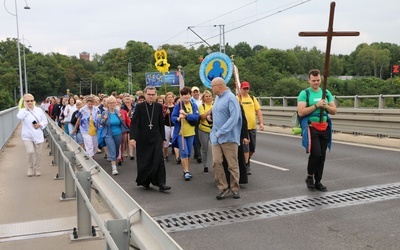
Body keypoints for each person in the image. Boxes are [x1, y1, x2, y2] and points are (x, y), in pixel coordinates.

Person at [297, 69, 337, 192]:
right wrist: (316, 106)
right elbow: (301, 112)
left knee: (322, 156)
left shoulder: (326, 93)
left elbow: (334, 111)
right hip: (311, 127)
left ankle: (318, 181)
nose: (316, 83)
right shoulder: (304, 94)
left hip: (324, 126)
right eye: (313, 80)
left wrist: (326, 106)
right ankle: (310, 177)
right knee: (316, 153)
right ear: (309, 80)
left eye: (318, 80)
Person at [129, 86, 171, 192]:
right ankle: (145, 180)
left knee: (159, 159)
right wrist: (133, 138)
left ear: (156, 95)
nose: (151, 96)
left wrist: (163, 138)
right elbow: (134, 123)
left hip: (156, 137)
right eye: (149, 94)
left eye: (153, 94)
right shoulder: (139, 107)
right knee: (145, 160)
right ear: (145, 94)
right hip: (143, 138)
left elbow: (160, 122)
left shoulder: (158, 106)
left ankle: (161, 183)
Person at [210, 77, 242, 200]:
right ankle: (223, 187)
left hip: (228, 137)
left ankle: (235, 188)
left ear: (219, 86)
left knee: (232, 165)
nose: (211, 89)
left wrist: (221, 131)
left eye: (213, 86)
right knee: (216, 162)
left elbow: (234, 118)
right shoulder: (217, 98)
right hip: (216, 138)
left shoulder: (231, 98)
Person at [172, 87, 200, 181]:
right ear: (182, 96)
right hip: (181, 133)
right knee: (183, 152)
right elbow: (173, 117)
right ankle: (186, 171)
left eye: (188, 94)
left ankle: (186, 170)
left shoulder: (193, 105)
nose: (186, 96)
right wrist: (178, 118)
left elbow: (196, 117)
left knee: (188, 153)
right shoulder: (178, 105)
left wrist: (186, 115)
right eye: (184, 94)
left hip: (191, 132)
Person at [17, 94, 48, 177]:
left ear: (33, 101)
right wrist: (26, 109)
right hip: (27, 136)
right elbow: (19, 117)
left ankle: (37, 169)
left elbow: (45, 121)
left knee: (39, 154)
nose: (30, 102)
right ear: (24, 102)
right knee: (30, 152)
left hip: (38, 135)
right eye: (27, 101)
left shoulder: (39, 110)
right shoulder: (23, 111)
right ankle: (30, 168)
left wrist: (40, 124)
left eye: (31, 100)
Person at [237, 81, 264, 175]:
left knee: (252, 148)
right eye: (244, 88)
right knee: (245, 148)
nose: (246, 90)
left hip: (252, 127)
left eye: (247, 88)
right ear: (240, 89)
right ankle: (245, 166)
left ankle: (246, 161)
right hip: (243, 128)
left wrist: (261, 123)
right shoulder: (237, 99)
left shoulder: (252, 98)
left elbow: (258, 111)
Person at [99, 96, 129, 175]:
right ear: (107, 104)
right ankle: (114, 167)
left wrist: (121, 118)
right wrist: (104, 119)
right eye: (110, 103)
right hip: (108, 134)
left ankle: (114, 160)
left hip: (118, 133)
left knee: (116, 149)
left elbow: (122, 122)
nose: (112, 104)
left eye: (113, 102)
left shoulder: (118, 112)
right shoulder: (104, 113)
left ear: (116, 103)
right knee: (111, 148)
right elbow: (101, 123)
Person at [198, 90, 213, 174]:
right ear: (203, 98)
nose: (208, 97)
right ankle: (205, 166)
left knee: (215, 148)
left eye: (209, 96)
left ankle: (216, 165)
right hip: (203, 129)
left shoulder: (215, 105)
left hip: (213, 129)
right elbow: (202, 117)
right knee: (205, 148)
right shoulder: (202, 106)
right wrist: (210, 110)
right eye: (206, 96)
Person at [162, 92, 180, 162]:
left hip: (174, 126)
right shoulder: (163, 107)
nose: (170, 99)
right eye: (168, 97)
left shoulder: (176, 106)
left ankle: (177, 157)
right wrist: (165, 113)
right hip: (166, 125)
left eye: (171, 97)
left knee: (175, 140)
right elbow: (161, 117)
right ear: (166, 98)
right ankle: (166, 155)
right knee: (166, 142)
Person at [191, 86, 202, 163]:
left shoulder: (202, 99)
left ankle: (196, 152)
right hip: (195, 120)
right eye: (194, 92)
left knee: (201, 137)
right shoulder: (191, 100)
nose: (196, 93)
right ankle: (198, 154)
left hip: (203, 119)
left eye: (197, 92)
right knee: (196, 137)